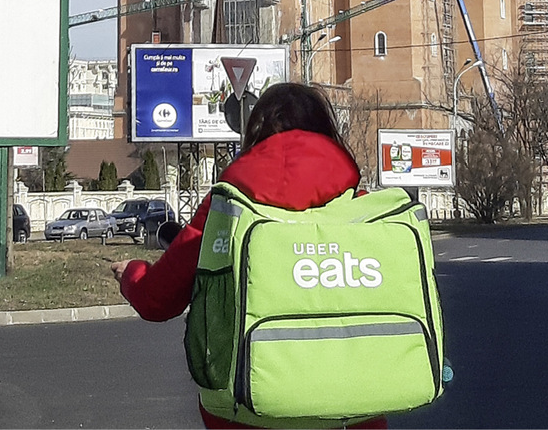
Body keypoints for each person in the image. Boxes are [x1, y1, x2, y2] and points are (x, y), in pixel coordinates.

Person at [111, 82, 388, 430]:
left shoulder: (227, 208)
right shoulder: (361, 208)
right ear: (327, 133)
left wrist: (133, 273)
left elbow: (156, 301)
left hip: (247, 412)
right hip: (351, 413)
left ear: (254, 134)